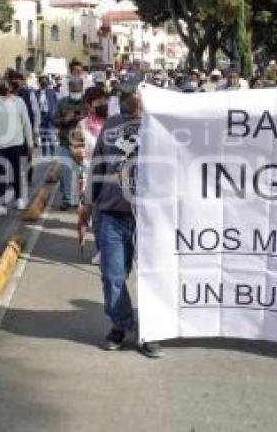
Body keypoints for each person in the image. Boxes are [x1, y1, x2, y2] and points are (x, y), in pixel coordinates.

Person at [78, 87, 162, 358]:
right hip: (111, 214)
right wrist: (87, 204)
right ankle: (123, 325)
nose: (131, 99)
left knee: (153, 278)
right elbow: (97, 166)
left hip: (149, 219)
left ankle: (150, 331)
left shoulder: (160, 123)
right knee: (113, 276)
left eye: (136, 94)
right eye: (127, 94)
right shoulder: (111, 125)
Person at [0, 77, 34, 217]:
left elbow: (26, 123)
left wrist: (30, 143)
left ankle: (19, 198)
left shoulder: (19, 102)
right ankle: (1, 206)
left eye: (6, 85)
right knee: (0, 175)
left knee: (17, 172)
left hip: (16, 143)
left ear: (11, 87)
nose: (4, 87)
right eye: (1, 85)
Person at [71, 86, 108, 264]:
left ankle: (106, 250)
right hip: (89, 175)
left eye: (105, 100)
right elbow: (75, 146)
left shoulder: (114, 121)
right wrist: (77, 151)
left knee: (106, 216)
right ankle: (100, 249)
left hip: (111, 176)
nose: (103, 104)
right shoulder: (82, 125)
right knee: (92, 216)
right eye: (98, 101)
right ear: (89, 104)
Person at [52, 78, 87, 211]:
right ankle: (66, 199)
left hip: (83, 143)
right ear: (69, 89)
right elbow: (54, 120)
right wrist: (65, 119)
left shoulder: (87, 103)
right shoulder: (62, 102)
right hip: (65, 141)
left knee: (83, 172)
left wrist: (83, 117)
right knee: (66, 172)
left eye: (77, 90)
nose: (75, 93)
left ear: (82, 88)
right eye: (73, 90)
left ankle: (83, 199)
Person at [37, 76, 59, 156]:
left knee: (51, 137)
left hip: (50, 117)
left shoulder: (52, 92)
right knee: (43, 138)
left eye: (45, 81)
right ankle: (44, 154)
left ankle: (52, 154)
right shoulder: (36, 92)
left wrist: (55, 114)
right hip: (41, 117)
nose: (44, 82)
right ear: (39, 82)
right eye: (42, 81)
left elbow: (56, 103)